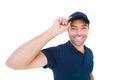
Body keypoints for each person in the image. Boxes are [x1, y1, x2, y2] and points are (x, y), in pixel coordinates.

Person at [6, 11, 94, 80]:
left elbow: (88, 72)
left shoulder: (89, 52)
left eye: (83, 27)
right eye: (73, 28)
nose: (79, 33)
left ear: (88, 29)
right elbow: (13, 63)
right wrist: (53, 31)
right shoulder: (57, 54)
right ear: (68, 30)